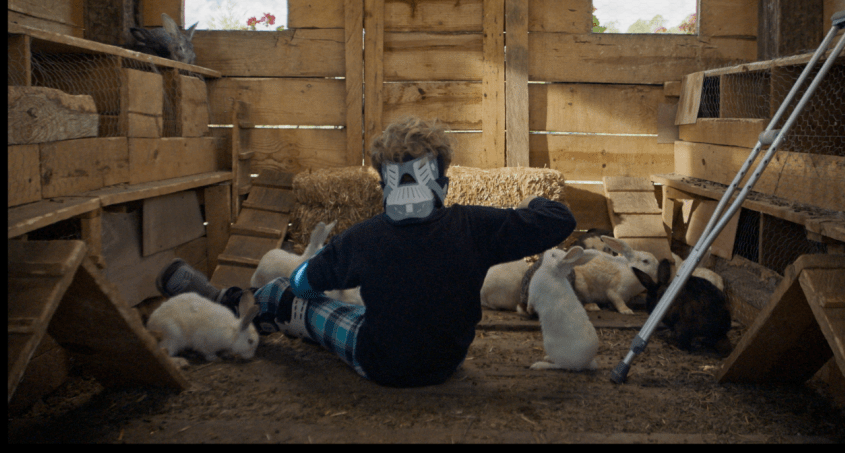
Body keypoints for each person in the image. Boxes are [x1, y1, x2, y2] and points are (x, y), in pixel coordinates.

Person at [157, 116, 576, 387]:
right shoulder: (475, 226)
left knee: (289, 292)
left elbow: (305, 281)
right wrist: (531, 203)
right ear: (443, 186)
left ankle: (230, 304)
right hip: (446, 362)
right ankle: (242, 311)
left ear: (384, 188)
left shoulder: (365, 238)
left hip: (382, 362)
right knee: (362, 309)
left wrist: (303, 283)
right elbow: (560, 219)